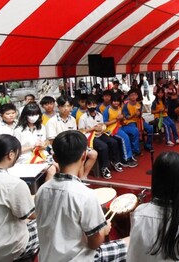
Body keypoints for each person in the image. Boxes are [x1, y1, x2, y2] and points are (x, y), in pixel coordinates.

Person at [35, 130, 129, 262]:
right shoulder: (85, 194)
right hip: (80, 258)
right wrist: (104, 231)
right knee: (130, 242)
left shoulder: (42, 189)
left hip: (47, 258)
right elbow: (94, 243)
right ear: (84, 156)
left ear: (55, 158)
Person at [0, 135, 39, 261]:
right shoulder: (14, 184)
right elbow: (32, 215)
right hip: (6, 249)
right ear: (11, 155)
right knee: (44, 224)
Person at [46, 95, 97, 179]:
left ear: (72, 107)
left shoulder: (72, 119)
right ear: (58, 107)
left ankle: (84, 177)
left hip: (73, 145)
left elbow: (75, 134)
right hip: (59, 148)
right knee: (78, 155)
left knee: (93, 154)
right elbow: (52, 141)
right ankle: (79, 180)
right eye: (63, 106)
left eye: (68, 106)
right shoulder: (52, 121)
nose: (66, 108)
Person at [78, 97, 124, 179]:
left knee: (114, 142)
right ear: (87, 105)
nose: (92, 106)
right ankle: (104, 168)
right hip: (89, 137)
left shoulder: (99, 115)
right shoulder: (83, 117)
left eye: (94, 104)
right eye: (90, 104)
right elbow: (81, 131)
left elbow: (103, 125)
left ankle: (115, 161)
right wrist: (93, 128)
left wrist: (101, 128)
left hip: (99, 134)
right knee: (103, 146)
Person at [14, 103, 57, 181]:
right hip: (26, 157)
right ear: (25, 115)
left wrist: (43, 145)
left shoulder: (41, 128)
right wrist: (32, 147)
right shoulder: (18, 130)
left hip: (41, 155)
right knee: (52, 169)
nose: (33, 117)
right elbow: (16, 150)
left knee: (59, 165)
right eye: (30, 114)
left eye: (36, 114)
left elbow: (45, 144)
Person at [103, 95, 138, 167]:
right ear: (111, 101)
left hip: (120, 126)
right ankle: (126, 159)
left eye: (118, 101)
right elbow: (104, 123)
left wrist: (122, 118)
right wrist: (116, 119)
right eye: (114, 101)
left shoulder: (119, 108)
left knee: (135, 130)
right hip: (111, 129)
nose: (116, 103)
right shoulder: (107, 110)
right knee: (125, 137)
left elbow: (122, 120)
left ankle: (134, 152)